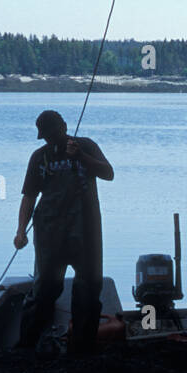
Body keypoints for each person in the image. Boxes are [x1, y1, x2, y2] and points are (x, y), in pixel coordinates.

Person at [14, 110, 114, 356]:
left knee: (89, 287)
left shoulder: (86, 145)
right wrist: (20, 231)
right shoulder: (39, 157)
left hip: (86, 230)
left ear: (65, 127)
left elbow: (108, 173)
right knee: (46, 287)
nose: (50, 139)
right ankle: (27, 346)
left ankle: (82, 349)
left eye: (53, 133)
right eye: (46, 136)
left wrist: (80, 156)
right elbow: (29, 196)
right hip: (49, 232)